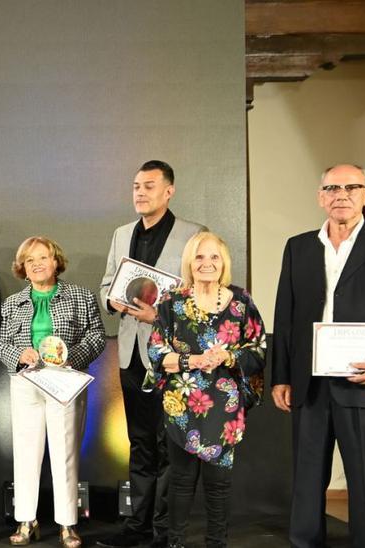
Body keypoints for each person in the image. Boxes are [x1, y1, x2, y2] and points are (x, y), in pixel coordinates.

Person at [272, 164, 365, 548]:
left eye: (351, 187)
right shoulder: (298, 246)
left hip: (364, 382)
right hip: (309, 384)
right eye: (332, 188)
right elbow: (286, 317)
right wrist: (281, 376)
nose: (341, 194)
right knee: (306, 481)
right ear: (320, 197)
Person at [97, 161, 205, 548]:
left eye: (149, 186)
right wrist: (113, 301)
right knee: (140, 443)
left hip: (175, 358)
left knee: (170, 447)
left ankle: (166, 531)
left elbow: (203, 298)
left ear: (169, 191)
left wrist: (160, 314)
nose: (140, 192)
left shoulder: (194, 235)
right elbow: (106, 286)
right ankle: (136, 528)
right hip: (131, 355)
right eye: (136, 186)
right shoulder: (121, 234)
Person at [148, 232, 265, 548]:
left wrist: (229, 355)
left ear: (223, 261)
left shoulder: (241, 302)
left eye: (214, 257)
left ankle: (217, 543)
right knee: (181, 481)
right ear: (189, 261)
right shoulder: (172, 302)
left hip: (224, 404)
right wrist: (194, 360)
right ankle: (175, 542)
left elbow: (258, 349)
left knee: (219, 484)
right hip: (181, 405)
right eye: (199, 256)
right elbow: (157, 352)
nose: (207, 263)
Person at [0, 237, 105, 548]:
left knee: (65, 452)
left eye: (43, 257)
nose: (37, 264)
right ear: (23, 269)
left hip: (64, 380)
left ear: (56, 261)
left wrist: (75, 357)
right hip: (26, 381)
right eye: (30, 261)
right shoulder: (11, 304)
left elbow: (97, 335)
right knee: (26, 453)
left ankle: (67, 524)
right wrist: (19, 356)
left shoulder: (80, 297)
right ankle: (26, 520)